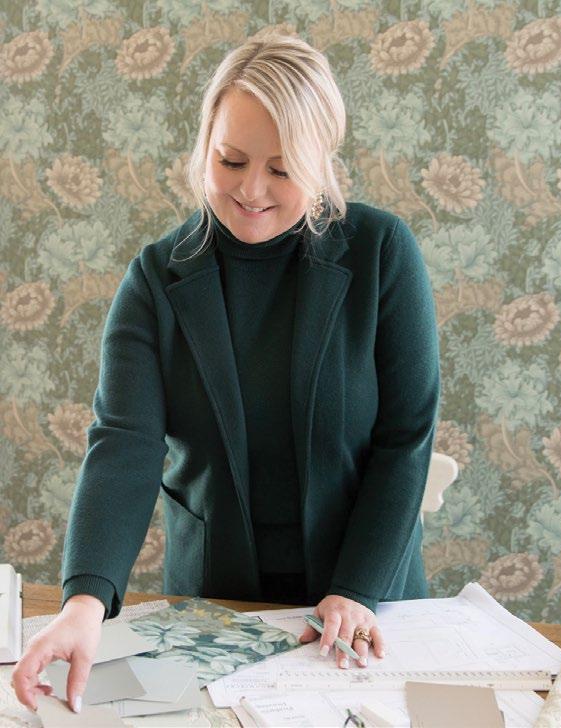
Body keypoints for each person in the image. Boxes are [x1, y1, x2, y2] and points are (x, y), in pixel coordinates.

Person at [12, 35, 439, 714]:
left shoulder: (381, 252)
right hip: (215, 610)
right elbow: (124, 446)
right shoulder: (156, 279)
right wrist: (84, 602)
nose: (251, 189)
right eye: (231, 160)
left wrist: (356, 590)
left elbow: (405, 439)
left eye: (283, 168)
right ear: (204, 143)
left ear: (321, 162)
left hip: (362, 609)